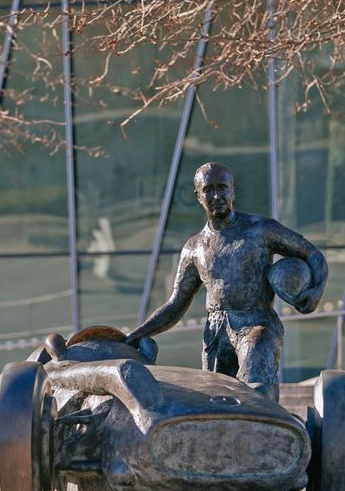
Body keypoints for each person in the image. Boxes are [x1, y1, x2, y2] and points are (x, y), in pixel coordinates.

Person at [126, 161, 327, 404]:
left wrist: (315, 292)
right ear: (198, 195)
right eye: (208, 189)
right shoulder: (194, 247)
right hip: (216, 329)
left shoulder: (260, 229)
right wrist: (136, 335)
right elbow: (177, 303)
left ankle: (270, 437)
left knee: (256, 393)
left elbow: (312, 254)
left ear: (233, 190)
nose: (217, 195)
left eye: (222, 187)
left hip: (256, 323)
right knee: (215, 402)